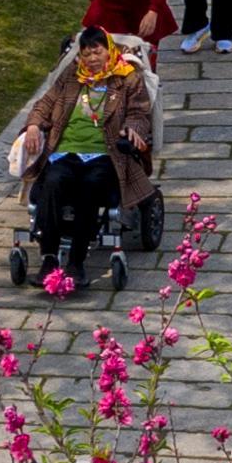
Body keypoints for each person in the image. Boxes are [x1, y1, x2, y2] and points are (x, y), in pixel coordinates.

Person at [20, 27, 153, 287]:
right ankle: (48, 258)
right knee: (52, 182)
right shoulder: (71, 76)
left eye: (97, 51)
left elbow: (140, 114)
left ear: (108, 51)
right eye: (86, 53)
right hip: (65, 153)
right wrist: (34, 125)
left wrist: (132, 129)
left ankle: (76, 262)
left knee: (89, 187)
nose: (92, 58)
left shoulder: (127, 78)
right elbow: (44, 104)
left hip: (106, 154)